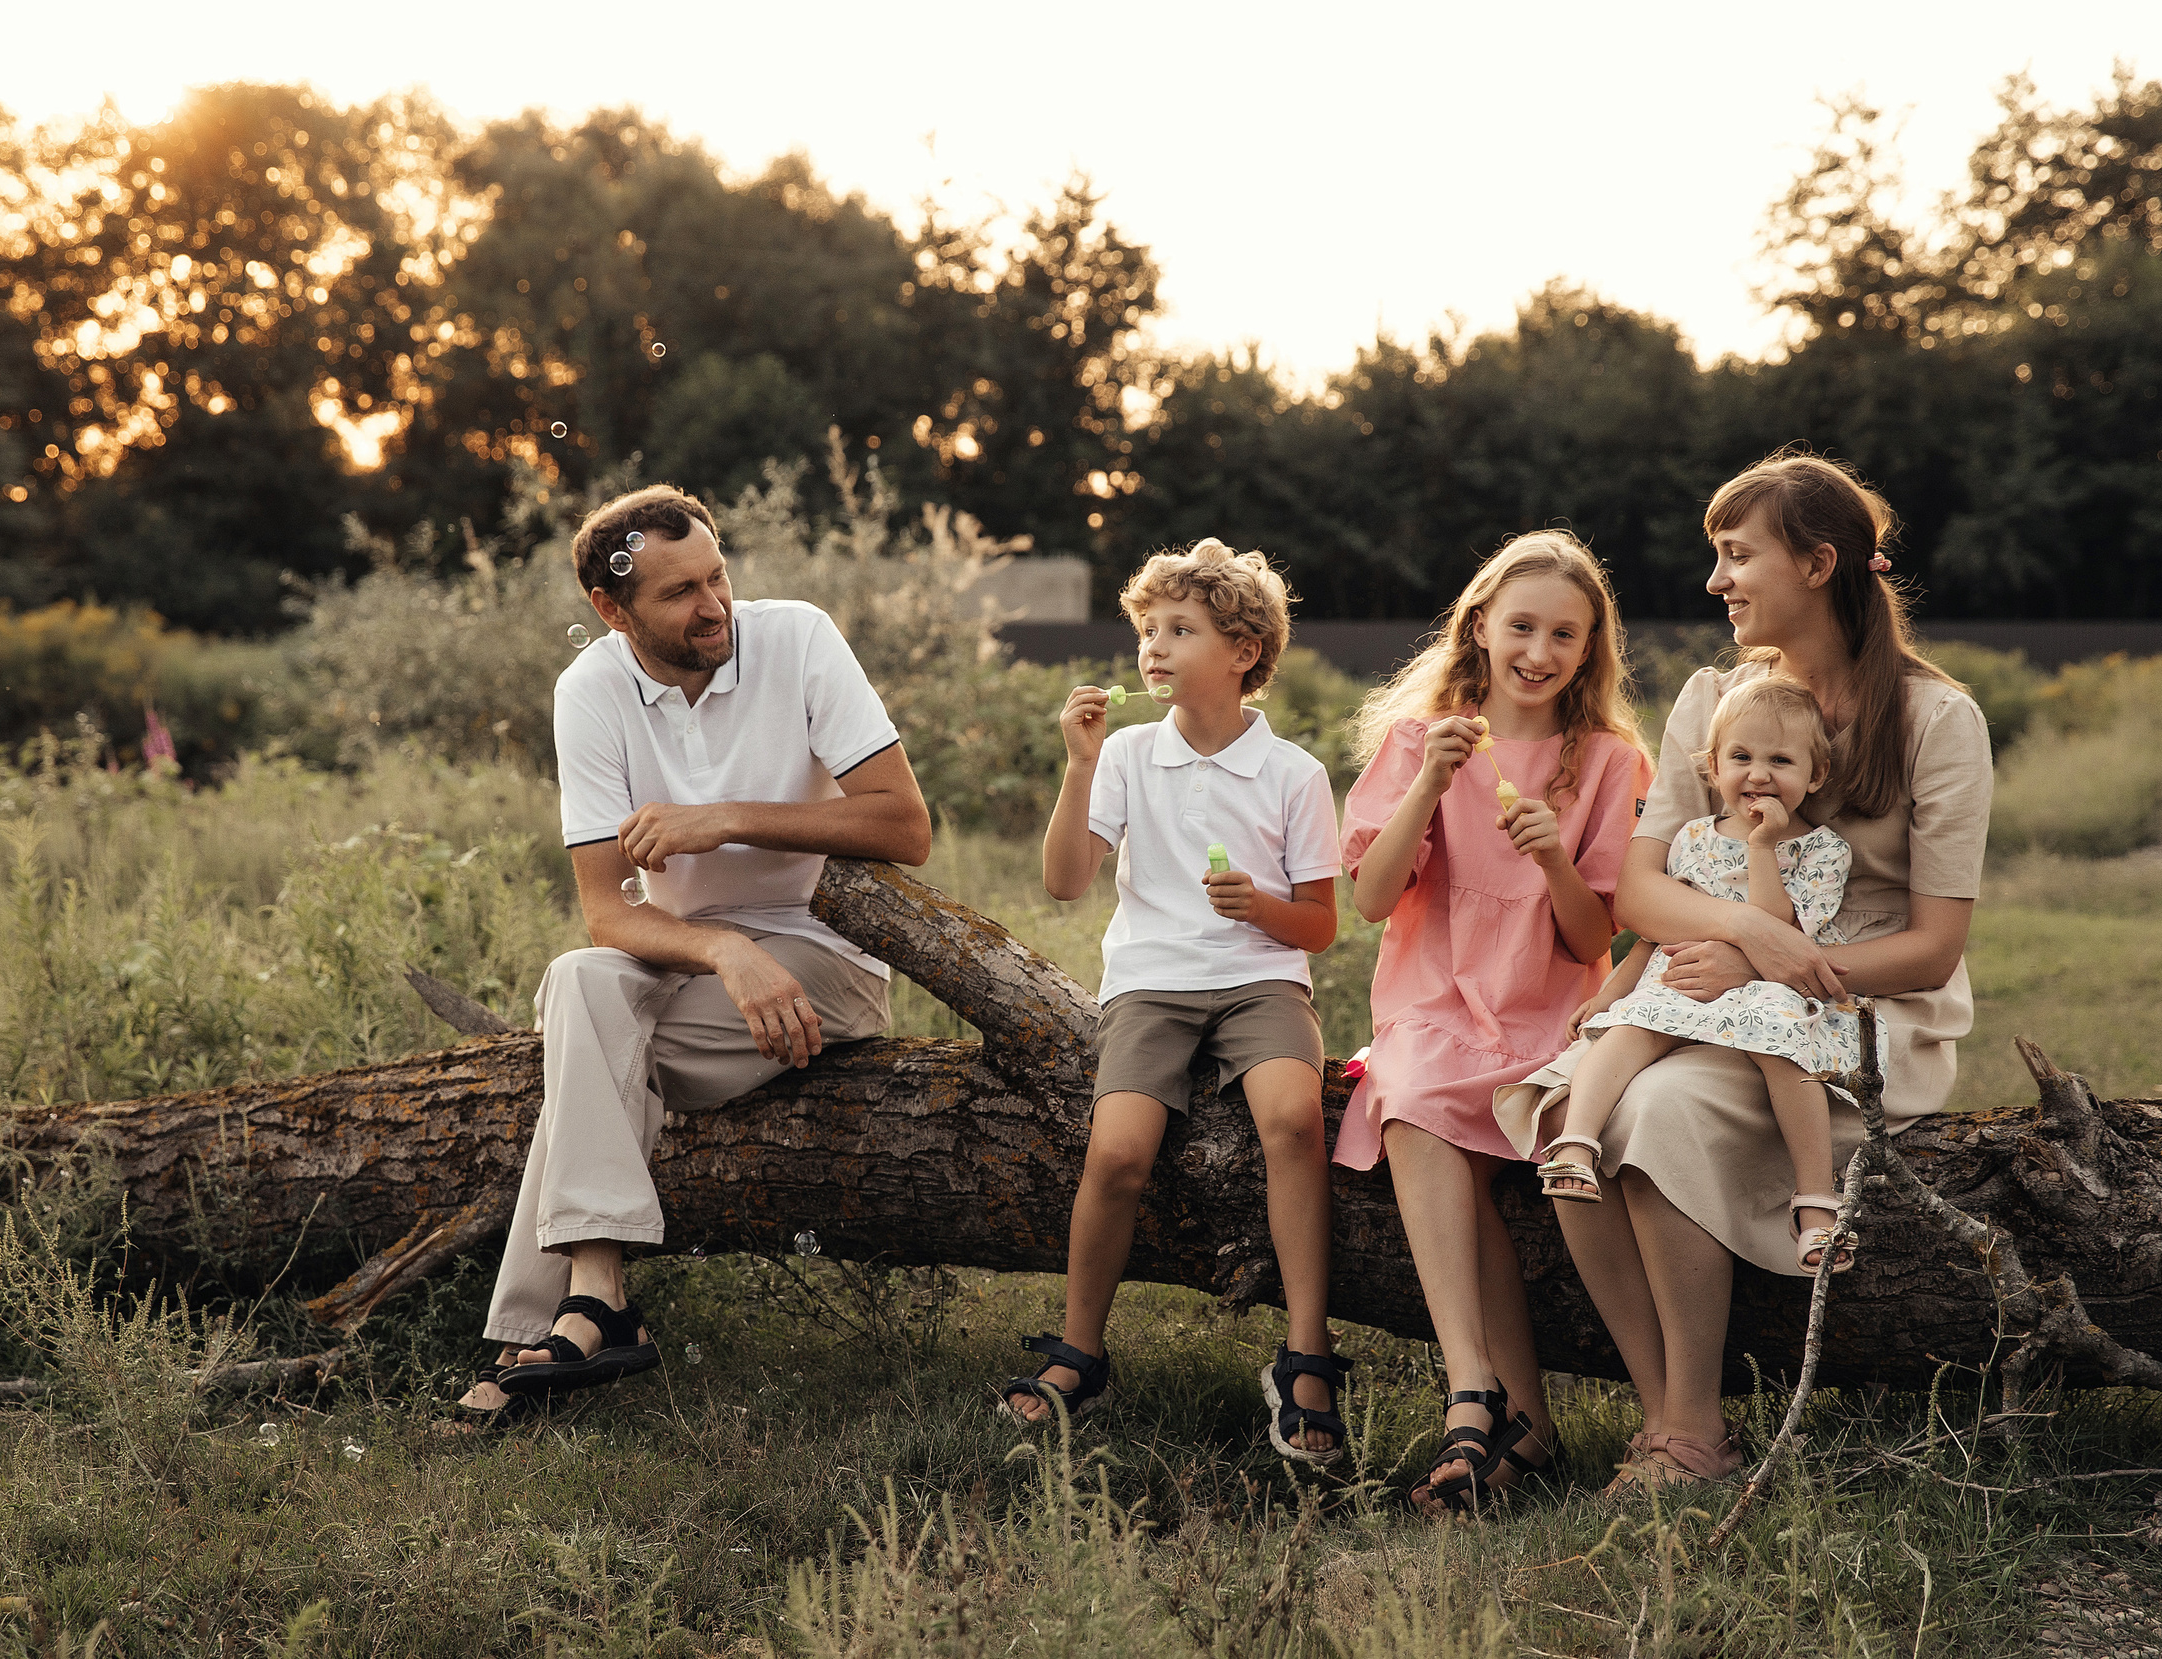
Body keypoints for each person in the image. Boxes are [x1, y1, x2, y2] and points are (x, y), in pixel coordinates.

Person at [1538, 452, 1991, 1493]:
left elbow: (1933, 946)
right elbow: (1641, 895)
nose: (1717, 581)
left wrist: (1787, 959)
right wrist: (1746, 934)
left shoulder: (1936, 722)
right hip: (1708, 978)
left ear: (1819, 564)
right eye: (1717, 557)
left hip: (1861, 1006)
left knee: (1658, 1111)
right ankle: (1669, 1415)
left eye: (1738, 556)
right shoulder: (1713, 702)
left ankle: (1691, 1425)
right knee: (1569, 1103)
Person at [453, 485, 933, 1428]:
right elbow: (604, 913)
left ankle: (543, 1327)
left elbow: (907, 827)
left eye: (717, 575)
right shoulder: (589, 690)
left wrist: (725, 821)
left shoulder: (796, 637)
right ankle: (594, 1295)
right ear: (612, 608)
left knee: (587, 1041)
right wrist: (719, 947)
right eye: (678, 593)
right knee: (579, 979)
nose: (713, 604)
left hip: (819, 969)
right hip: (697, 974)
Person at [999, 539, 1351, 1464]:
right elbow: (1068, 883)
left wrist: (1261, 908)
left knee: (1292, 1120)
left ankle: (1308, 1352)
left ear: (1243, 651)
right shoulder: (1121, 754)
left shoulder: (1293, 774)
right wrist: (1076, 768)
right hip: (1152, 984)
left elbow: (1318, 927)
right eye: (1147, 629)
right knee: (1117, 1151)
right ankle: (1081, 1350)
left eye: (1180, 630)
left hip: (1261, 976)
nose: (1153, 647)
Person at [1333, 530, 1653, 1515]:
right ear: (1480, 624)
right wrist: (1428, 783)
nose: (1539, 650)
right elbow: (1372, 901)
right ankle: (1479, 1392)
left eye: (1565, 633)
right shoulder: (1417, 742)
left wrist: (1554, 856)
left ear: (1588, 648)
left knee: (1453, 1126)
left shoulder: (1606, 762)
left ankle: (1513, 1420)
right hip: (1434, 1005)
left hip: (1547, 1012)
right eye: (1521, 625)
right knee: (1417, 1098)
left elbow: (1592, 934)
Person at [1511, 673, 1866, 1276]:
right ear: (1712, 767)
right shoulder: (1693, 838)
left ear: (1816, 776)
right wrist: (1612, 993)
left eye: (1780, 760)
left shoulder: (1821, 850)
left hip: (1767, 990)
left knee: (1786, 1050)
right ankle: (1576, 1144)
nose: (1758, 774)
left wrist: (1762, 847)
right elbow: (1655, 933)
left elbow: (1778, 932)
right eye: (1741, 757)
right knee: (1626, 1030)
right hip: (1688, 983)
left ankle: (1815, 1201)